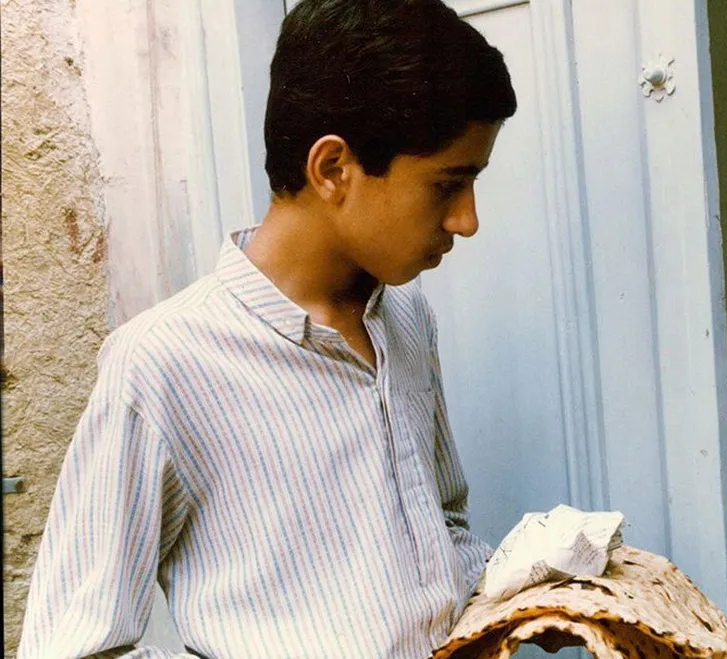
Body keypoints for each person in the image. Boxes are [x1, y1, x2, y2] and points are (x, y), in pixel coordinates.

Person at [18, 1, 515, 656]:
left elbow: (445, 523)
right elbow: (72, 644)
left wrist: (533, 591)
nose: (467, 220)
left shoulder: (406, 319)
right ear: (333, 168)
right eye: (448, 184)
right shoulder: (162, 363)